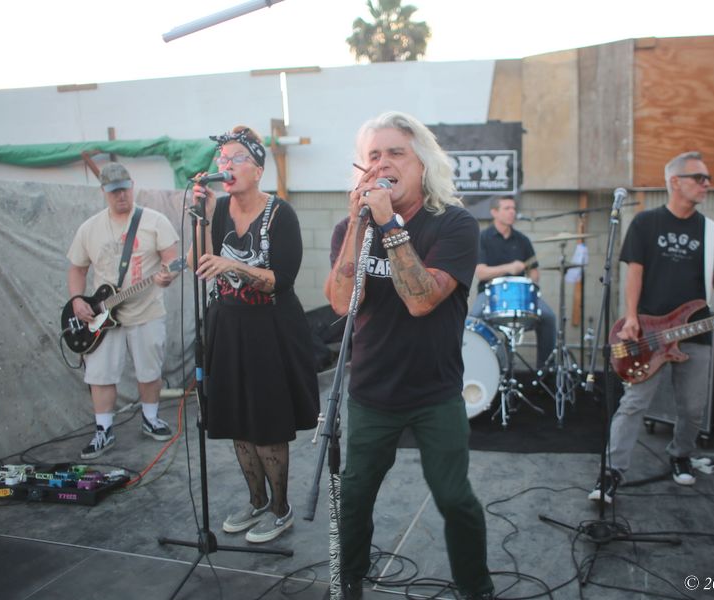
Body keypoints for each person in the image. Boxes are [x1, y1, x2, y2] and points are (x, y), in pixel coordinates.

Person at [325, 111, 494, 600]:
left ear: (422, 163)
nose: (383, 163)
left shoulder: (455, 224)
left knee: (455, 498)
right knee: (354, 495)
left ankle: (476, 588)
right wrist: (360, 227)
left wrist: (389, 225)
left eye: (396, 152)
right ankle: (348, 582)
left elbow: (421, 299)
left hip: (434, 391)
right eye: (373, 155)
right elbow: (342, 303)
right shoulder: (351, 228)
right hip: (371, 390)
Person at [588, 151, 714, 504]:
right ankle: (612, 471)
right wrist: (631, 317)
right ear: (675, 182)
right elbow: (635, 273)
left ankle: (680, 454)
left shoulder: (711, 232)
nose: (707, 184)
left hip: (695, 332)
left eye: (708, 179)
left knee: (691, 408)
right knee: (633, 403)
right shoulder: (646, 223)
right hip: (648, 332)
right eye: (699, 178)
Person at [189, 125, 319, 544]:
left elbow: (281, 279)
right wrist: (202, 216)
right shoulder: (219, 210)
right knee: (237, 421)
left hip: (270, 329)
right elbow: (197, 262)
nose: (225, 166)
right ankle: (257, 501)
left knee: (267, 422)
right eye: (222, 159)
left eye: (236, 159)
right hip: (227, 325)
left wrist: (233, 266)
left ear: (258, 169)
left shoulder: (281, 214)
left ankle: (281, 509)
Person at [67, 162, 179, 459]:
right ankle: (103, 430)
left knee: (149, 370)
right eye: (114, 191)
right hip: (103, 314)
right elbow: (77, 268)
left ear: (132, 186)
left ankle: (151, 419)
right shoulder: (90, 228)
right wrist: (77, 300)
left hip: (147, 310)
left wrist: (168, 275)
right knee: (100, 374)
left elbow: (172, 259)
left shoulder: (155, 221)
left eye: (125, 189)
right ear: (104, 192)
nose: (121, 196)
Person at [470, 195, 558, 371]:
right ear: (494, 212)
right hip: (490, 294)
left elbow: (534, 272)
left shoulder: (522, 240)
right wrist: (509, 268)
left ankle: (545, 372)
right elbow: (480, 272)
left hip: (520, 295)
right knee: (473, 320)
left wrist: (529, 280)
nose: (512, 212)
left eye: (513, 208)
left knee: (549, 317)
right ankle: (478, 370)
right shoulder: (483, 238)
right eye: (507, 208)